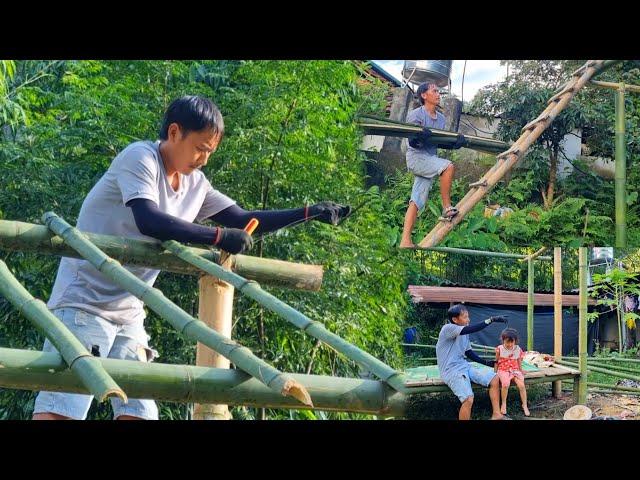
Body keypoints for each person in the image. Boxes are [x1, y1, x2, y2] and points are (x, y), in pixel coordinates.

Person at [32, 95, 350, 420]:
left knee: (140, 411)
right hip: (83, 302)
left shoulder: (195, 183)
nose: (203, 159)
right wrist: (217, 236)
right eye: (200, 148)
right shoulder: (140, 158)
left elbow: (242, 219)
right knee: (63, 409)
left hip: (128, 311)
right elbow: (150, 220)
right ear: (174, 133)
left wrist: (310, 212)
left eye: (210, 152)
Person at [399, 82, 466, 248]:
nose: (438, 94)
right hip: (417, 158)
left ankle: (405, 241)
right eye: (434, 91)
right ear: (424, 95)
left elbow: (438, 142)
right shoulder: (416, 115)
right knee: (448, 166)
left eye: (438, 91)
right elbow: (412, 141)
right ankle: (446, 207)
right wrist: (420, 136)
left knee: (416, 201)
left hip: (429, 159)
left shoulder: (441, 119)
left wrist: (455, 143)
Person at [435, 304, 508, 420]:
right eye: (465, 317)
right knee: (468, 398)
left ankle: (497, 414)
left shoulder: (465, 333)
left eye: (468, 316)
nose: (468, 320)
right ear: (455, 319)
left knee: (494, 378)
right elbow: (472, 328)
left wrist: (487, 363)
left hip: (464, 365)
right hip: (450, 370)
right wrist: (491, 320)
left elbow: (468, 352)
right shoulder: (447, 328)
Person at [494, 328, 530, 417]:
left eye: (512, 342)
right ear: (503, 340)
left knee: (521, 385)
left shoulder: (517, 349)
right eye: (507, 342)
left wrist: (521, 370)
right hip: (503, 369)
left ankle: (524, 405)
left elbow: (518, 360)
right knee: (505, 384)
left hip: (515, 370)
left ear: (515, 341)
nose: (510, 344)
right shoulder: (499, 349)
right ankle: (504, 404)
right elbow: (496, 361)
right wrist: (494, 373)